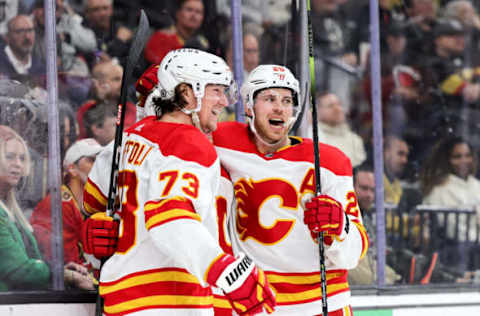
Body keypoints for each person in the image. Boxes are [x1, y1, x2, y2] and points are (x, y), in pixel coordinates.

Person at [82, 49, 275, 315]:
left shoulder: (128, 138)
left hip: (120, 301)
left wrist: (96, 225)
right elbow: (169, 218)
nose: (223, 102)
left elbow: (93, 199)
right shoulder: (189, 143)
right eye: (216, 91)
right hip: (170, 301)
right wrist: (227, 272)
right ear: (186, 93)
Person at [212, 65, 369, 315]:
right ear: (249, 106)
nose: (279, 108)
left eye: (287, 100)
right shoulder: (223, 140)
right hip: (257, 303)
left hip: (320, 304)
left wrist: (340, 227)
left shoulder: (328, 162)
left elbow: (355, 253)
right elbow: (176, 132)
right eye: (269, 98)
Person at [0, 125, 92, 290]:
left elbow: (32, 260)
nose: (18, 164)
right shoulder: (58, 205)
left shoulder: (11, 210)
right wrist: (60, 274)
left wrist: (62, 270)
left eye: (22, 158)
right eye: (9, 157)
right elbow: (18, 270)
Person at [30, 138, 103, 267]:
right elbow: (66, 263)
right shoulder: (57, 205)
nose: (100, 165)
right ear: (72, 169)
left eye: (102, 161)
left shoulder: (92, 204)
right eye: (92, 160)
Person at [420, 136, 480, 279]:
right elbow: (450, 228)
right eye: (457, 157)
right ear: (447, 160)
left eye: (467, 156)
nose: (463, 161)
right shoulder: (439, 188)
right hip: (454, 252)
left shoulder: (476, 184)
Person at [348, 164, 401, 285]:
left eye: (372, 190)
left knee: (394, 276)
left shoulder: (366, 216)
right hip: (354, 283)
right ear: (350, 187)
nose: (369, 195)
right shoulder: (341, 215)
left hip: (367, 271)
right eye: (364, 188)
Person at [307, 91, 366, 167]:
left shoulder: (354, 139)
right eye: (330, 106)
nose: (337, 109)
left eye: (339, 104)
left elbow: (361, 169)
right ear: (318, 111)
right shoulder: (312, 137)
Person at [144, 0, 209, 65]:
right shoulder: (161, 37)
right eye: (189, 10)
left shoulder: (204, 43)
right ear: (178, 13)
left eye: (198, 12)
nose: (194, 15)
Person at [0, 15, 45, 79]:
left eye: (30, 30)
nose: (27, 37)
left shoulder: (41, 68)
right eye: (20, 31)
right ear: (7, 37)